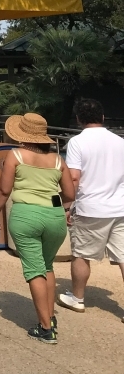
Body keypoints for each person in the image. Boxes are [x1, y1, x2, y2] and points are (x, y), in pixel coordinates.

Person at [0, 113, 76, 344]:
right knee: (47, 265)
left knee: (34, 270)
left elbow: (4, 190)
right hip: (55, 218)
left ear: (22, 135)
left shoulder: (15, 154)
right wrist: (56, 206)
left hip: (25, 216)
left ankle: (45, 328)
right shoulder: (58, 160)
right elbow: (69, 194)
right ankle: (50, 316)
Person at [58, 98, 124, 317]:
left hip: (90, 208)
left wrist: (67, 206)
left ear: (78, 119)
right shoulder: (119, 141)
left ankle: (77, 298)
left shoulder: (77, 142)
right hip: (119, 207)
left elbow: (74, 177)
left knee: (81, 254)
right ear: (103, 117)